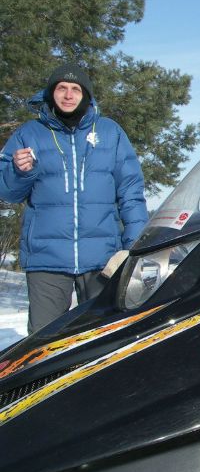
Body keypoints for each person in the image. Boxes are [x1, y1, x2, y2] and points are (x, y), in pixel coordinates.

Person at [0, 62, 148, 334]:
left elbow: (131, 192)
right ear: (51, 93)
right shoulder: (28, 134)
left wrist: (134, 246)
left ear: (86, 95)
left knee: (102, 338)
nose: (68, 95)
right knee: (43, 345)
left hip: (103, 259)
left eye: (75, 89)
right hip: (47, 260)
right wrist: (19, 172)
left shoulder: (110, 132)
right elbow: (7, 192)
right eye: (61, 88)